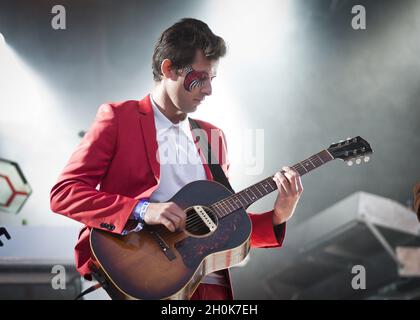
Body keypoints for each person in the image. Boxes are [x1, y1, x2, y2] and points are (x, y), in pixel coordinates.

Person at [50, 18, 303, 300]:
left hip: (211, 288)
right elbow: (64, 193)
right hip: (143, 282)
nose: (208, 90)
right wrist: (142, 210)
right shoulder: (118, 118)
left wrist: (279, 215)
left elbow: (224, 229)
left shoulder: (211, 136)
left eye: (212, 79)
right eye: (200, 78)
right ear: (168, 69)